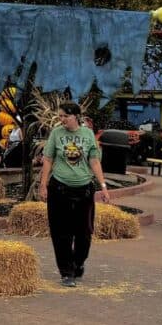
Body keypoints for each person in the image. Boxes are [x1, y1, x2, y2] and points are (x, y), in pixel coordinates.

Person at [39, 102, 110, 288]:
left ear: (76, 116)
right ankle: (66, 272)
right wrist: (43, 185)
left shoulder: (87, 135)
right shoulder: (56, 133)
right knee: (61, 232)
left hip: (84, 189)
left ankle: (78, 262)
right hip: (59, 188)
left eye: (65, 116)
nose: (62, 120)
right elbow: (48, 159)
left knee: (84, 233)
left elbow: (94, 161)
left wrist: (103, 186)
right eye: (60, 116)